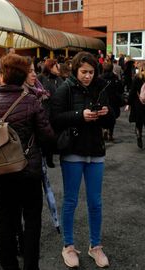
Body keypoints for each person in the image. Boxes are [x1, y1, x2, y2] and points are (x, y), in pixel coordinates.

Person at [0, 54, 54, 270]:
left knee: (4, 218)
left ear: (3, 76)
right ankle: (31, 266)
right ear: (22, 77)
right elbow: (47, 136)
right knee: (31, 220)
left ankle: (9, 265)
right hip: (27, 169)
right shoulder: (31, 101)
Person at [51, 51, 114, 268]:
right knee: (71, 201)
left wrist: (106, 113)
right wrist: (80, 116)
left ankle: (95, 246)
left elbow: (111, 119)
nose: (88, 76)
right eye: (83, 72)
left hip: (96, 151)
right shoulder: (64, 89)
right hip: (72, 151)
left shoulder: (101, 88)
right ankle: (68, 246)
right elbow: (55, 119)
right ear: (76, 70)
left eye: (91, 72)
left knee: (96, 202)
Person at [100, 61, 124, 141]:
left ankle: (104, 130)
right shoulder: (115, 78)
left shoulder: (100, 78)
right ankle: (110, 133)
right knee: (112, 117)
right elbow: (121, 89)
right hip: (114, 100)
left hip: (103, 101)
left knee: (102, 116)